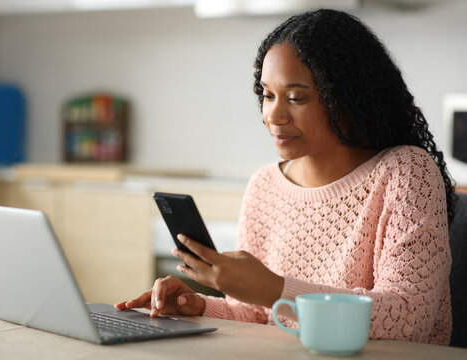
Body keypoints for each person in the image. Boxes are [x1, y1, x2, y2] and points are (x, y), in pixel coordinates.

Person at [115, 9, 455, 345]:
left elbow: (408, 317)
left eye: (295, 98)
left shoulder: (406, 173)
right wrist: (199, 306)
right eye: (267, 95)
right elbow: (256, 315)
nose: (273, 115)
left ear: (349, 100)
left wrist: (275, 288)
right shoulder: (264, 185)